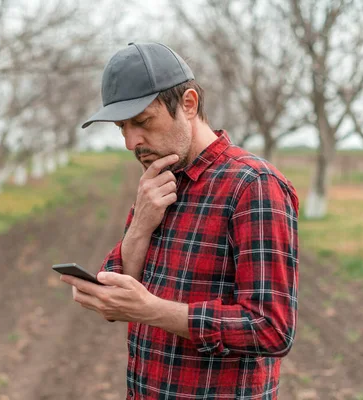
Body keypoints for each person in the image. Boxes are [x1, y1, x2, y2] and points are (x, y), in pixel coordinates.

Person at [60, 42, 299, 400]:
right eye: (122, 127)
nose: (130, 142)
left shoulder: (253, 185)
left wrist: (153, 311)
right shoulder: (158, 181)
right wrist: (140, 226)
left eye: (142, 122)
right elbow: (120, 292)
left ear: (188, 104)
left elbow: (272, 329)